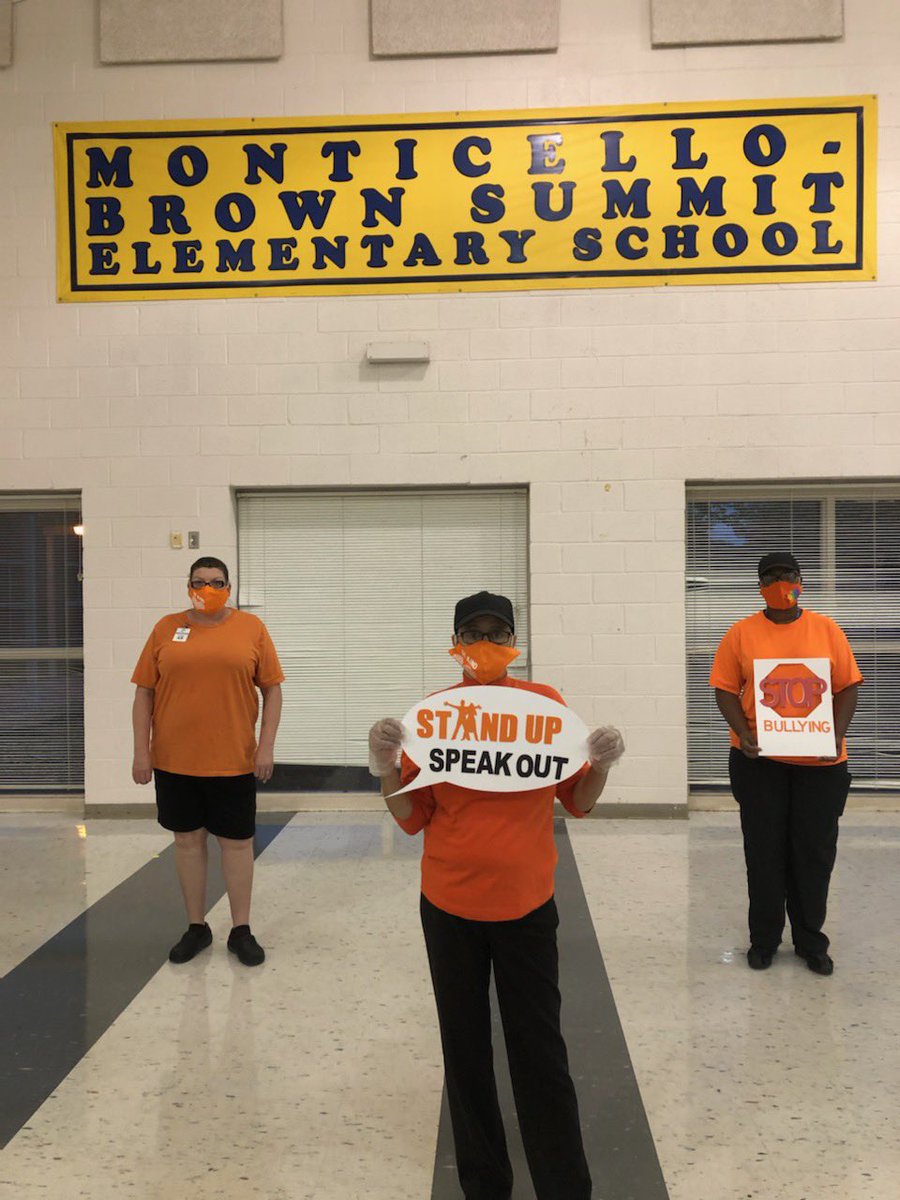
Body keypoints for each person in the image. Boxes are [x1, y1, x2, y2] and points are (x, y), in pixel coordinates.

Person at [368, 591, 624, 1200]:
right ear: (455, 643)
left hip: (527, 907)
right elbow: (410, 817)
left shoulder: (545, 711)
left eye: (496, 631)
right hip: (449, 907)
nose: (484, 643)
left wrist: (603, 764)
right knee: (465, 1052)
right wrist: (384, 767)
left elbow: (579, 802)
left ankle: (564, 1185)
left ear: (514, 641)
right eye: (472, 632)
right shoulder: (434, 718)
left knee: (540, 1051)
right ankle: (485, 1184)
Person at [710, 552, 862, 976]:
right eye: (770, 576)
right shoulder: (741, 633)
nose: (780, 582)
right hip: (760, 763)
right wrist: (743, 733)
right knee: (764, 853)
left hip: (821, 762)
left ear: (801, 581)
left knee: (813, 854)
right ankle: (764, 940)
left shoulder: (826, 629)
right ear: (759, 585)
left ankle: (811, 940)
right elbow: (723, 688)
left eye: (787, 575)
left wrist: (835, 733)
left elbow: (847, 686)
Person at [131, 556, 284, 966]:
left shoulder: (250, 629)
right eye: (200, 582)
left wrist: (265, 747)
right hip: (174, 761)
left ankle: (241, 929)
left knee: (236, 844)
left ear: (229, 587)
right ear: (188, 586)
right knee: (186, 841)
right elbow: (144, 692)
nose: (208, 589)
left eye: (217, 582)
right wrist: (141, 751)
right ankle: (196, 927)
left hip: (233, 760)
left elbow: (272, 690)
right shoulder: (166, 628)